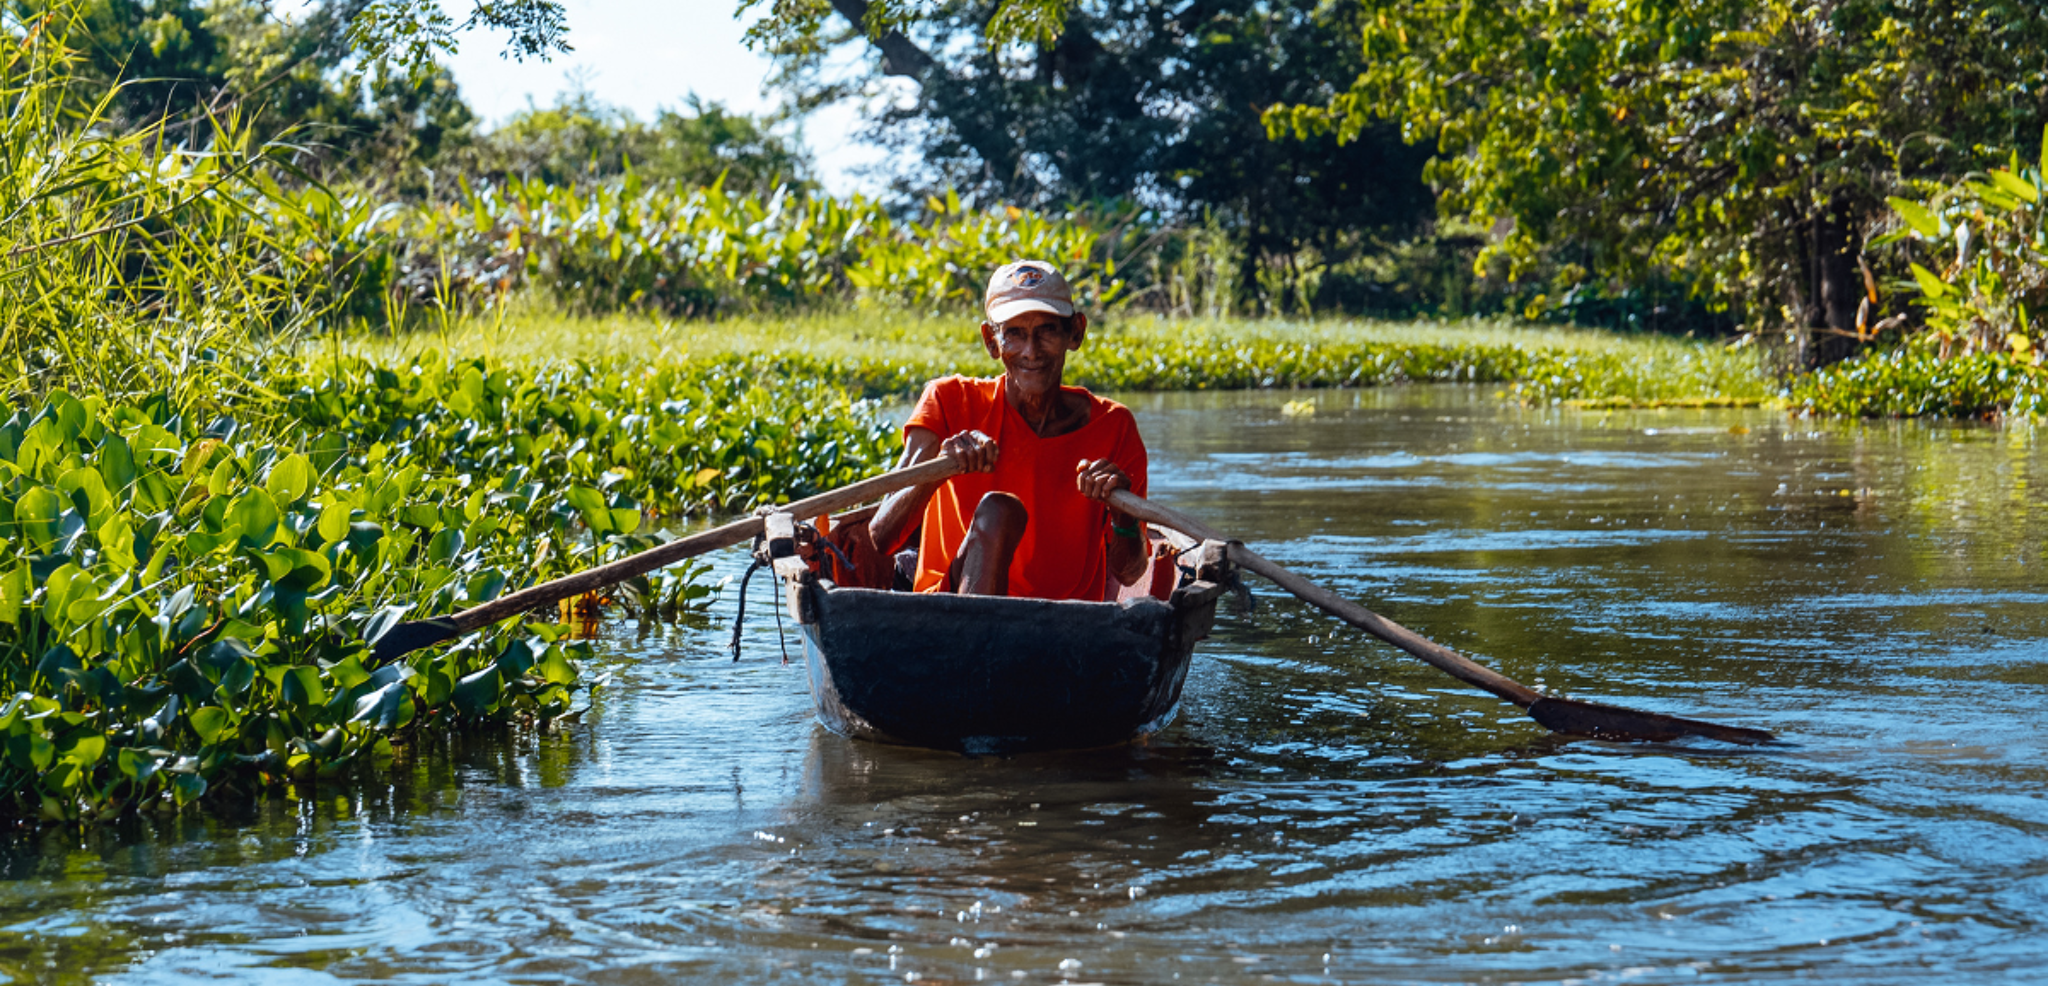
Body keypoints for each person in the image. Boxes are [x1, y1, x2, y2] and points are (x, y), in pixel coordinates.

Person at [867, 260, 1151, 599]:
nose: (1031, 352)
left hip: (1069, 624)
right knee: (999, 512)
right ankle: (982, 645)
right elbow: (882, 537)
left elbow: (1131, 573)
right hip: (949, 612)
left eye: (1046, 330)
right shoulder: (948, 401)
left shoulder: (1114, 426)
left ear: (1075, 332)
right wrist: (938, 468)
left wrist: (1122, 515)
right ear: (991, 341)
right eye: (1014, 333)